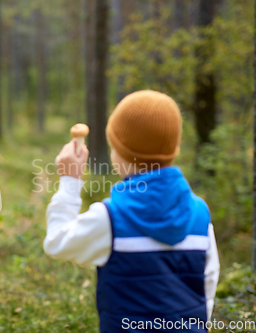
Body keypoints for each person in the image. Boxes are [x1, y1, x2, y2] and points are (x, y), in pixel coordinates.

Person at [44, 90, 220, 333]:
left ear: (119, 153)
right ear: (173, 148)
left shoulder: (111, 218)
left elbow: (56, 241)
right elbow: (206, 289)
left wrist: (70, 180)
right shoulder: (200, 214)